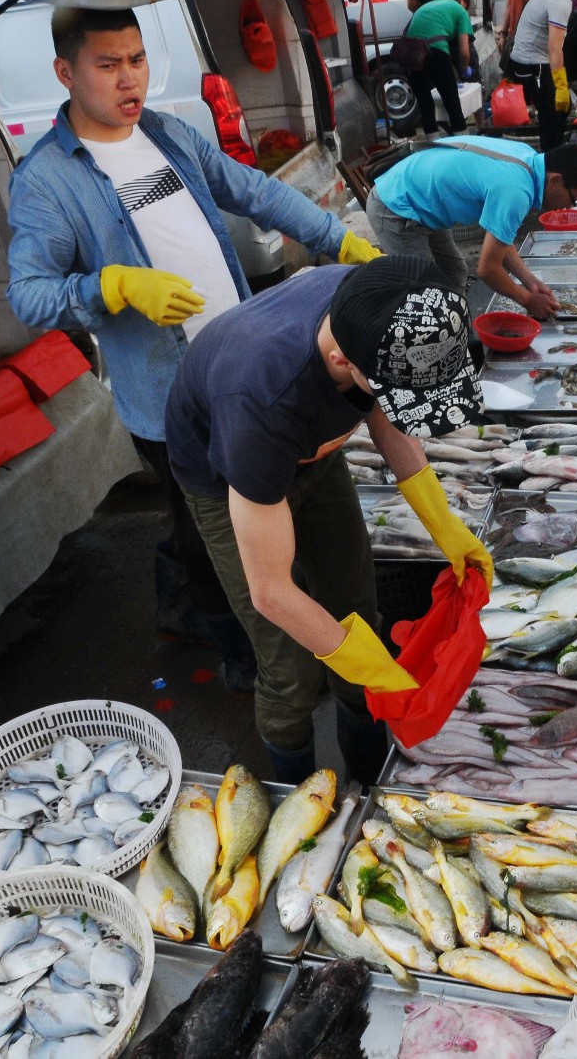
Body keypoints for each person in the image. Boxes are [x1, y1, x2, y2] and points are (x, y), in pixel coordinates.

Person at [6, 7, 381, 693]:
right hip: (171, 398)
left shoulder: (168, 135)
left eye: (138, 59)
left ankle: (283, 619)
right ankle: (237, 645)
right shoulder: (46, 181)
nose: (130, 80)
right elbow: (29, 294)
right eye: (108, 64)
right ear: (66, 72)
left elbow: (254, 190)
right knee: (210, 534)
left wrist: (336, 238)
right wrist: (114, 285)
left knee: (264, 506)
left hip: (239, 368)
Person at [164, 256, 494, 786]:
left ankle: (367, 780)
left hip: (314, 452)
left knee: (358, 612)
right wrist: (376, 672)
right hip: (232, 477)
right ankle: (298, 793)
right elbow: (270, 591)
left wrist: (446, 528)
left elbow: (390, 413)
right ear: (342, 362)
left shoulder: (382, 301)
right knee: (291, 666)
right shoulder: (259, 401)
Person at [366, 140, 577, 315]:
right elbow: (487, 269)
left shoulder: (527, 159)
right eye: (573, 199)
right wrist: (527, 300)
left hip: (422, 201)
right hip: (397, 206)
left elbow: (501, 241)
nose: (568, 207)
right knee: (426, 292)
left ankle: (454, 330)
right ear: (555, 180)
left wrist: (531, 282)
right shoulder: (517, 191)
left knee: (454, 271)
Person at [508, 0, 573, 152]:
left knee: (563, 108)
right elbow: (554, 48)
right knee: (551, 116)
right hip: (532, 64)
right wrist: (561, 85)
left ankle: (557, 153)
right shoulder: (560, 2)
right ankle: (550, 161)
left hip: (527, 60)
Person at [404, 0, 474, 138]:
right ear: (463, 1)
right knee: (450, 97)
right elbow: (464, 52)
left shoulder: (429, 6)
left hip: (410, 51)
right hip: (434, 49)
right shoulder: (461, 12)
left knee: (424, 99)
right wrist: (465, 69)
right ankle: (462, 139)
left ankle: (433, 141)